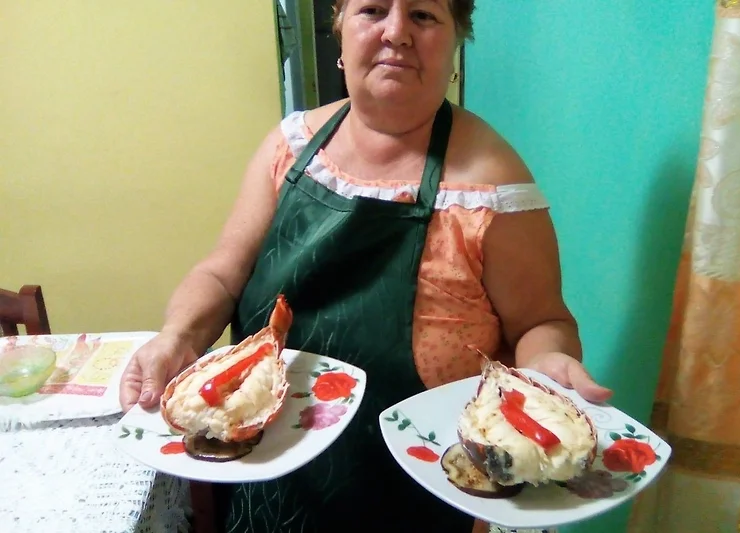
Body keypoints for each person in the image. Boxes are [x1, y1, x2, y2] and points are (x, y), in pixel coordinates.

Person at [119, 1, 613, 532]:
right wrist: (178, 336)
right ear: (340, 29)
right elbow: (222, 273)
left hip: (415, 496)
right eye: (373, 9)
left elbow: (542, 322)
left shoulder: (493, 189)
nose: (396, 32)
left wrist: (547, 365)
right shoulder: (290, 148)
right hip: (263, 471)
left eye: (423, 15)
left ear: (457, 40)